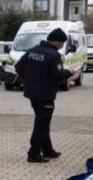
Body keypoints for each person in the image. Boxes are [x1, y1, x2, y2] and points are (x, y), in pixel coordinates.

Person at [15, 29, 70, 163]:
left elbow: (18, 67)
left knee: (43, 121)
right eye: (62, 43)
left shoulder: (32, 51)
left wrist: (30, 78)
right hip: (46, 94)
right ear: (57, 42)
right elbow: (58, 76)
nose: (62, 45)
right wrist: (69, 72)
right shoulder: (54, 55)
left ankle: (47, 150)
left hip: (32, 93)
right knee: (42, 123)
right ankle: (33, 153)